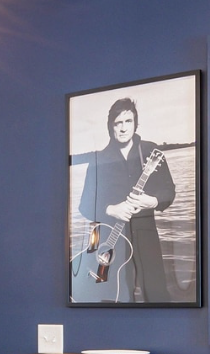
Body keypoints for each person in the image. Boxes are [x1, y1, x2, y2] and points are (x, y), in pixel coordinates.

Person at [75, 97, 177, 302]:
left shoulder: (150, 151)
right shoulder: (98, 160)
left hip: (145, 234)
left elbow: (169, 190)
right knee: (116, 296)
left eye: (128, 121)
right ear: (110, 127)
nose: (123, 128)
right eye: (118, 123)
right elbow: (85, 205)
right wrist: (111, 209)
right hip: (111, 241)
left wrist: (153, 201)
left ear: (135, 123)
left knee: (157, 294)